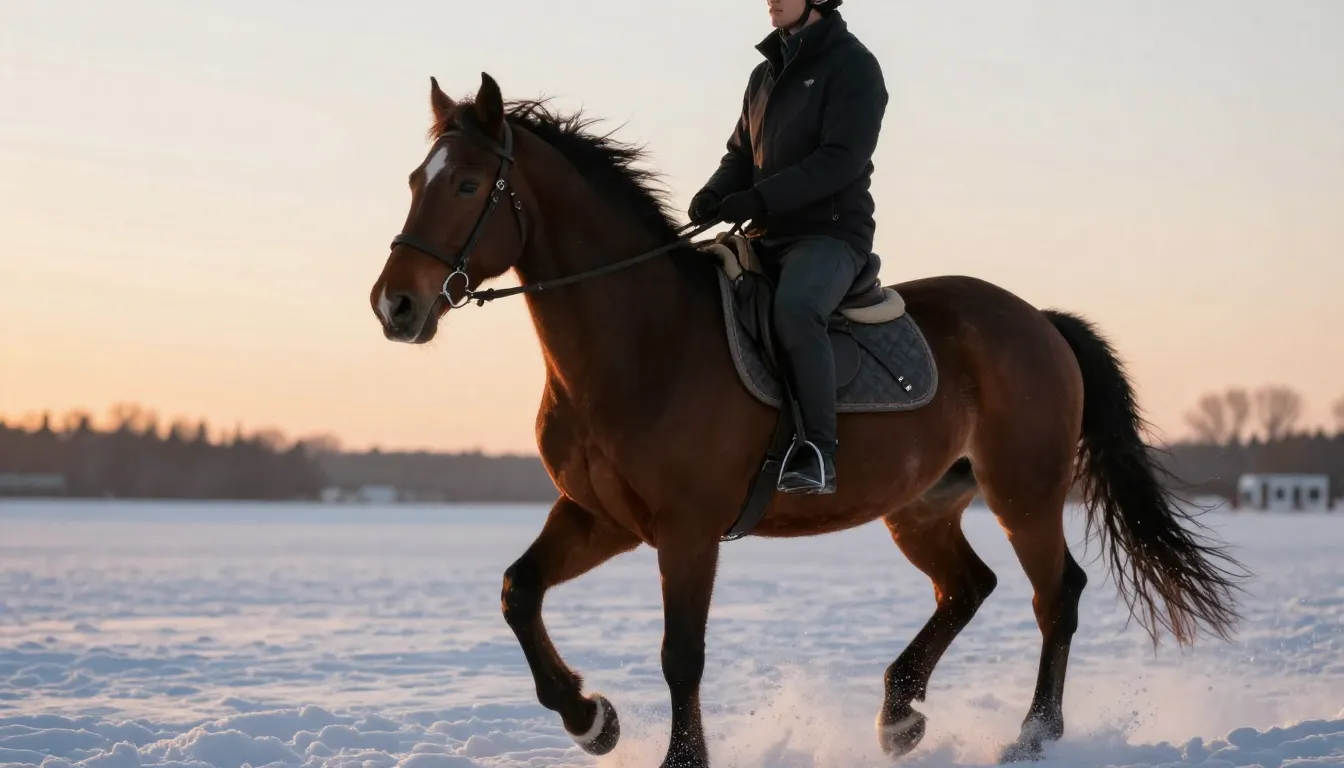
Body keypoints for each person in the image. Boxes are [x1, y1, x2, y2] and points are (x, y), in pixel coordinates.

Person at [688, 0, 888, 495]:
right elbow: (740, 153)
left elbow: (840, 160)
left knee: (796, 310)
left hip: (831, 235)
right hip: (766, 233)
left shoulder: (854, 66)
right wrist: (715, 192)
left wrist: (759, 196)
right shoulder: (764, 74)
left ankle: (818, 451)